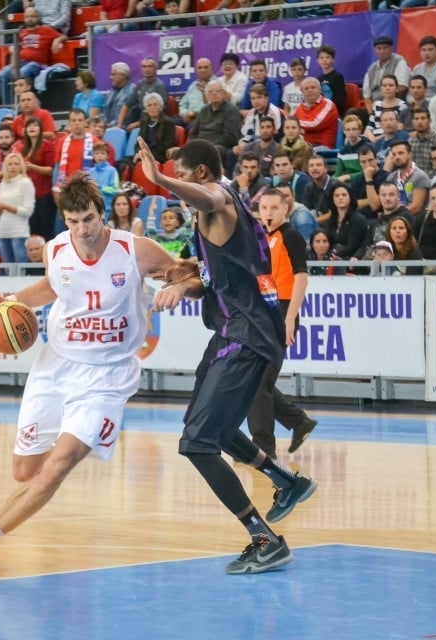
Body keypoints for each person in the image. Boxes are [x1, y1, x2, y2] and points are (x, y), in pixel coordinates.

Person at [0, 173, 198, 576]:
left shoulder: (135, 250)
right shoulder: (56, 249)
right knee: (26, 471)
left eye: (88, 219)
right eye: (73, 222)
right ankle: (55, 466)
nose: (82, 230)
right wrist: (11, 301)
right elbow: (52, 289)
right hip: (56, 366)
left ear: (103, 214)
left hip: (107, 376)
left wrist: (182, 288)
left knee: (59, 463)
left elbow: (191, 276)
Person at [138, 137, 317, 574]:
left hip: (247, 335)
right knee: (204, 430)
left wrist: (161, 181)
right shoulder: (213, 216)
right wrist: (183, 282)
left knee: (196, 444)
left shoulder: (218, 198)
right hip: (232, 332)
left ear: (199, 174)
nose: (178, 185)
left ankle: (264, 539)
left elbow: (210, 193)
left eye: (181, 175)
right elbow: (214, 280)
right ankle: (285, 481)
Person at [248, 188, 318, 458]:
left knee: (258, 382)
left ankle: (264, 448)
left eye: (274, 208)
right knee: (256, 381)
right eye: (264, 207)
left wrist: (290, 319)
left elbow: (301, 278)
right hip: (265, 310)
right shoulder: (264, 238)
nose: (268, 213)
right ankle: (298, 421)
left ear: (285, 209)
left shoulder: (291, 236)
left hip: (283, 310)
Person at [0, 152, 36, 263]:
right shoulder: (3, 184)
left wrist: (5, 206)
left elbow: (28, 211)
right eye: (10, 164)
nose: (13, 167)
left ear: (21, 166)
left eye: (16, 164)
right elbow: (0, 212)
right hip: (3, 231)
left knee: (19, 268)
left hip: (19, 231)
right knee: (7, 268)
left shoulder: (26, 183)